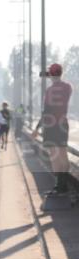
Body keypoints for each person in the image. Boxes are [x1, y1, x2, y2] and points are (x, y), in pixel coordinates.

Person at [32, 62, 73, 195]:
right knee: (63, 155)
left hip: (51, 125)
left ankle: (59, 185)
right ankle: (63, 185)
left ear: (51, 75)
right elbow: (56, 78)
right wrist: (51, 74)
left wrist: (37, 128)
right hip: (62, 124)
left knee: (54, 156)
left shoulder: (49, 91)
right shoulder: (68, 87)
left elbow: (46, 112)